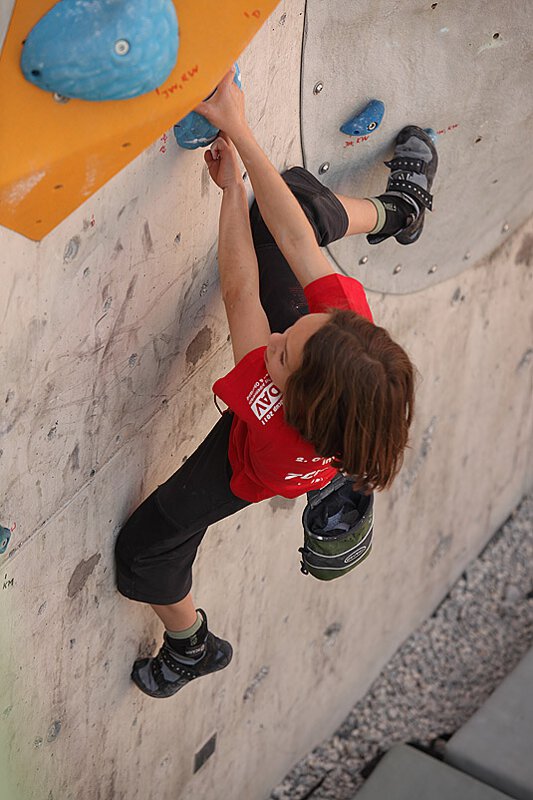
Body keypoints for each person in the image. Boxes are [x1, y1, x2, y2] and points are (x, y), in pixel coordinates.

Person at [115, 68, 438, 698]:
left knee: (144, 550)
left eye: (282, 354)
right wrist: (238, 128)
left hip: (252, 464)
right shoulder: (348, 337)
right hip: (317, 419)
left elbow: (242, 294)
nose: (279, 338)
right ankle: (400, 212)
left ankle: (191, 646)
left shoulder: (268, 416)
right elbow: (294, 237)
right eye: (303, 326)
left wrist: (232, 189)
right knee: (292, 203)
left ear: (289, 395)